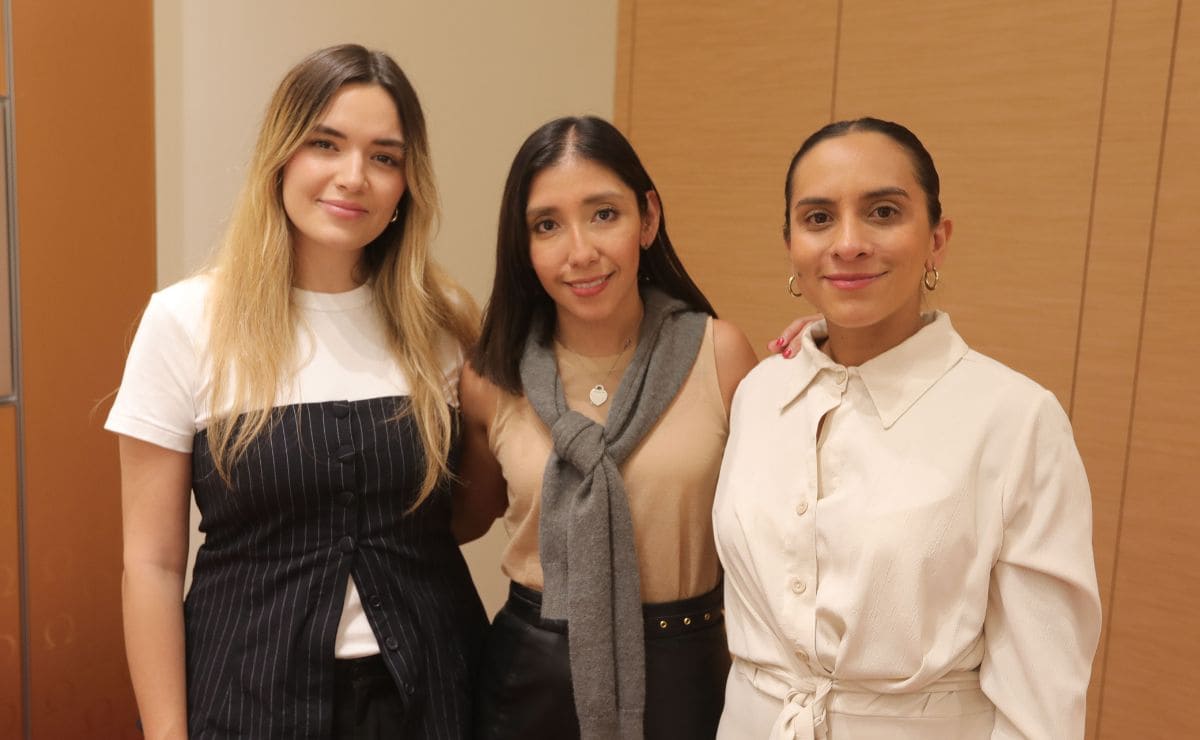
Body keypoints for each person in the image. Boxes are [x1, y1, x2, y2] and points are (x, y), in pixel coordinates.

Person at [107, 44, 487, 739]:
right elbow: (152, 565)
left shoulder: (443, 323)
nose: (354, 177)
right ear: (281, 156)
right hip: (246, 695)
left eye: (384, 156)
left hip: (433, 692)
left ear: (408, 183)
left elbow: (465, 516)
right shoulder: (185, 321)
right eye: (326, 144)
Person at [713, 118, 1101, 739]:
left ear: (936, 240)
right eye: (817, 219)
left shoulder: (1016, 420)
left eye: (883, 212)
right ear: (790, 243)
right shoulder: (760, 393)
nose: (848, 243)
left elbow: (1043, 695)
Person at [452, 115, 759, 740]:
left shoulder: (721, 355)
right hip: (530, 676)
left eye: (603, 214)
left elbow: (771, 532)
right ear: (524, 244)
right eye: (547, 225)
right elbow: (458, 521)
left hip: (690, 669)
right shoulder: (491, 377)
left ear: (647, 218)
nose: (580, 251)